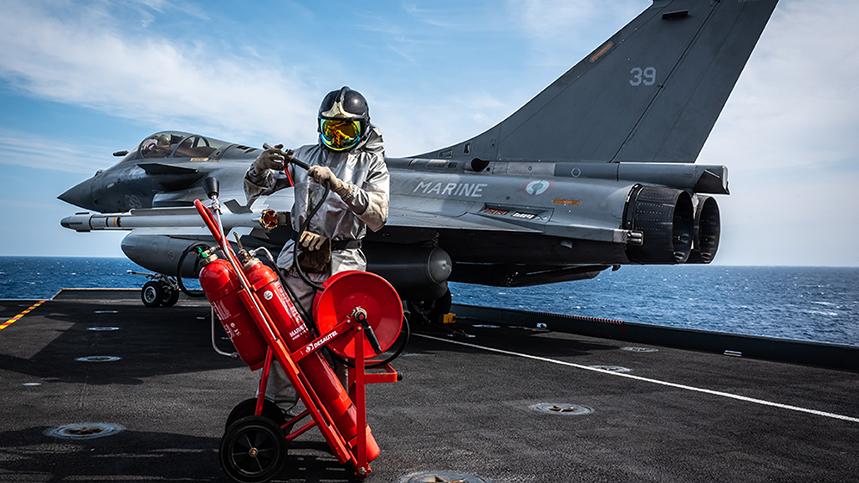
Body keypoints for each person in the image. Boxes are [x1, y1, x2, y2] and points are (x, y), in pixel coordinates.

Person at [243, 86, 390, 409]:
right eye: (330, 128)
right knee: (283, 336)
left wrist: (337, 184)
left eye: (345, 129)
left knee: (339, 345)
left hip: (343, 263)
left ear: (362, 128)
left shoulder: (372, 164)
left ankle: (341, 415)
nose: (336, 137)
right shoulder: (303, 156)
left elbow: (378, 216)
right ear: (319, 125)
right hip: (298, 262)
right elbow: (258, 188)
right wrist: (260, 165)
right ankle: (274, 411)